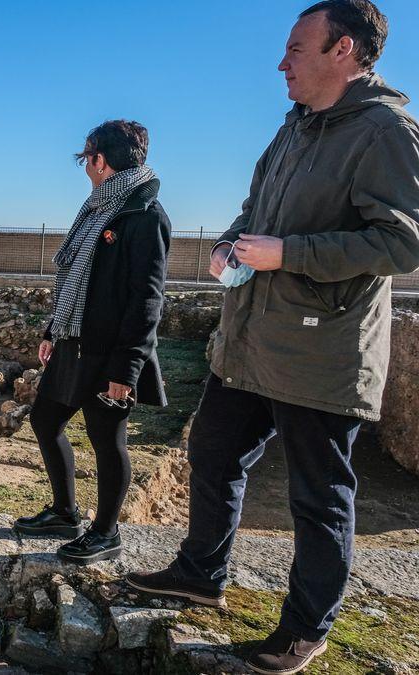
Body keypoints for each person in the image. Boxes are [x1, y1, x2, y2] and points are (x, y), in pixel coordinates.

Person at [123, 2, 419, 673]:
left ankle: (304, 629)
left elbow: (402, 243)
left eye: (294, 49)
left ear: (342, 50)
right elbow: (256, 211)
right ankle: (200, 572)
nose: (280, 63)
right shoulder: (295, 128)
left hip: (322, 351)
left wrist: (289, 252)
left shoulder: (386, 131)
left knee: (318, 497)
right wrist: (232, 243)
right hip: (255, 339)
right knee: (214, 448)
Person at [14, 120, 172, 564]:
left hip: (108, 353)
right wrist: (53, 329)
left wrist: (127, 369)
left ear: (101, 161)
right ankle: (66, 512)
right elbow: (75, 280)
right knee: (46, 420)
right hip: (74, 342)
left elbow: (147, 298)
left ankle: (106, 533)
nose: (84, 165)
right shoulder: (96, 208)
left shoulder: (144, 215)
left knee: (107, 440)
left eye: (86, 157)